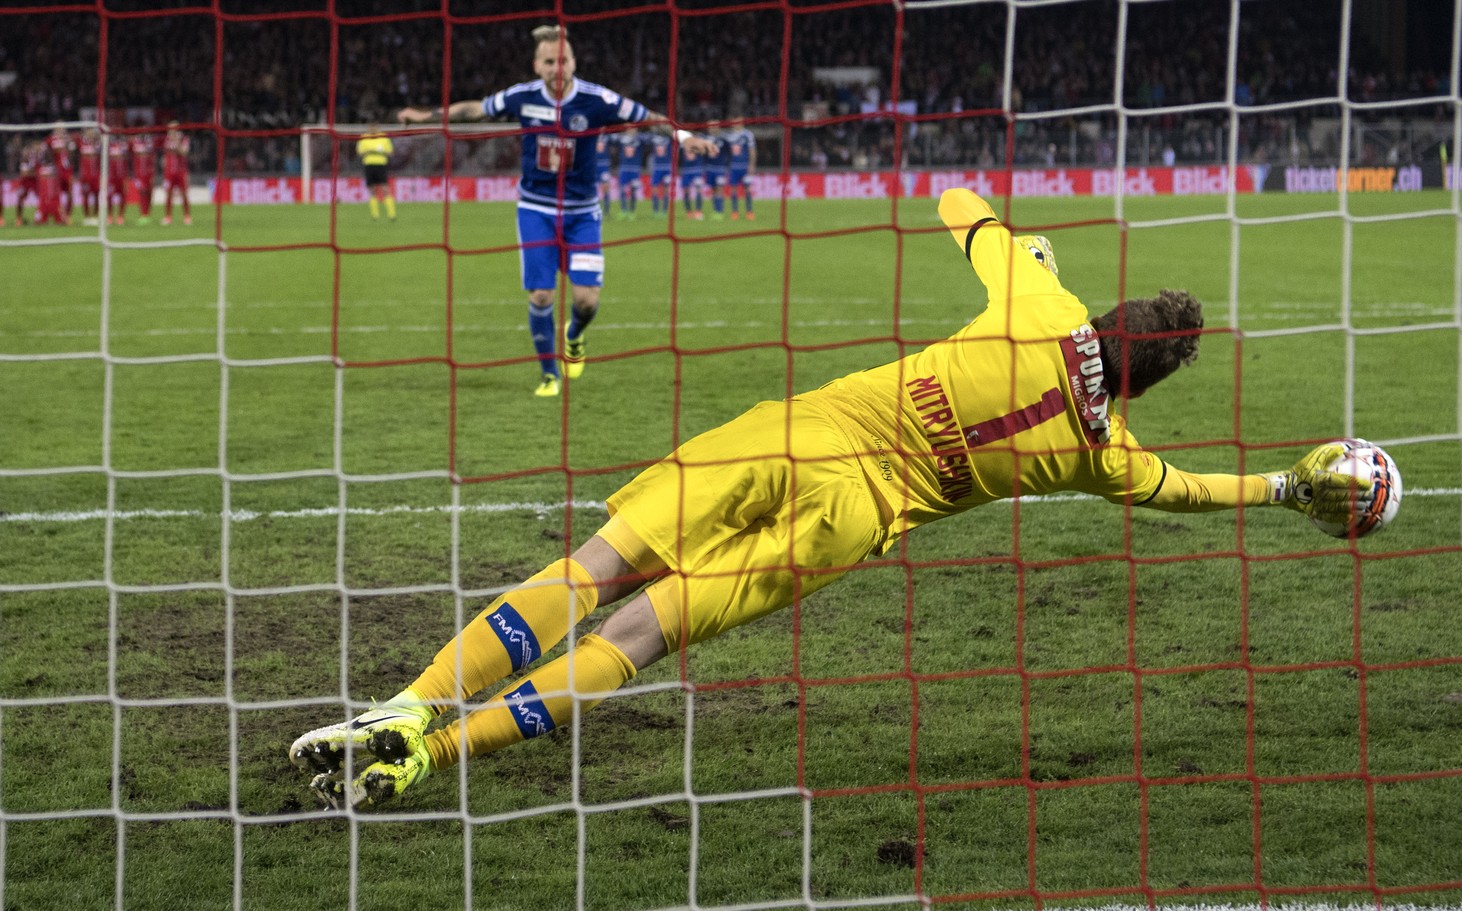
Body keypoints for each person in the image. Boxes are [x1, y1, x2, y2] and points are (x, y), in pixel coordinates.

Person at [289, 188, 1375, 811]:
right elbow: (1185, 492)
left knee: (600, 566)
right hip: (850, 522)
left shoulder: (1037, 298)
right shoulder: (1105, 451)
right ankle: (437, 753)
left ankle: (410, 701)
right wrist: (1283, 484)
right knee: (642, 627)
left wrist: (1022, 243)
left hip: (795, 436)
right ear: (1144, 382)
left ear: (1106, 315)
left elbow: (961, 201)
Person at [395, 23, 717, 398]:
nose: (556, 68)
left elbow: (646, 116)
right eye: (549, 61)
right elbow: (475, 109)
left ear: (574, 62)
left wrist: (684, 137)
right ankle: (549, 374)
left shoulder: (597, 100)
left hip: (582, 212)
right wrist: (426, 117)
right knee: (542, 296)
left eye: (562, 60)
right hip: (536, 209)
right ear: (537, 65)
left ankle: (575, 336)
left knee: (586, 300)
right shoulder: (522, 97)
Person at [355, 123, 397, 221]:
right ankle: (375, 215)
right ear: (369, 128)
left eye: (375, 127)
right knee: (372, 190)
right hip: (369, 165)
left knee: (385, 189)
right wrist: (370, 151)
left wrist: (381, 151)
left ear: (378, 128)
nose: (373, 129)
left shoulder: (383, 137)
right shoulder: (364, 137)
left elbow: (391, 152)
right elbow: (359, 152)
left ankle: (392, 214)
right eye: (371, 127)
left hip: (381, 165)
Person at [721, 116, 756, 221]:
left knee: (747, 189)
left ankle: (749, 212)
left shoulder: (747, 135)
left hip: (745, 166)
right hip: (733, 167)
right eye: (735, 121)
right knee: (733, 189)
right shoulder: (729, 135)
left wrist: (752, 164)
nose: (736, 123)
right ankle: (735, 212)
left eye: (739, 121)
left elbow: (752, 150)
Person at [161, 121, 192, 225]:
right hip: (169, 171)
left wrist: (176, 141)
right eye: (169, 128)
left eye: (173, 128)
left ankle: (187, 216)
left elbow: (184, 152)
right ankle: (168, 217)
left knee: (184, 194)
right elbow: (166, 154)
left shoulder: (183, 138)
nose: (171, 130)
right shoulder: (166, 139)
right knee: (168, 194)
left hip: (181, 171)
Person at [613, 125, 645, 220]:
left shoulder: (639, 139)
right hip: (624, 168)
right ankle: (623, 211)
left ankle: (632, 211)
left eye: (633, 128)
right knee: (622, 189)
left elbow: (647, 143)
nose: (631, 130)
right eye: (629, 128)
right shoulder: (621, 139)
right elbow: (612, 141)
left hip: (635, 169)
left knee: (633, 190)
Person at [704, 119, 729, 220]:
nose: (712, 128)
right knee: (713, 190)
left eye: (715, 126)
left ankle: (720, 212)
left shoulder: (723, 140)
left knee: (719, 189)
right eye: (710, 126)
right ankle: (715, 210)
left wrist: (725, 163)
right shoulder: (705, 139)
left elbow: (728, 152)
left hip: (720, 169)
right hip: (709, 168)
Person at [130, 131, 157, 225]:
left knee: (149, 193)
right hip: (138, 174)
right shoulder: (134, 142)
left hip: (149, 173)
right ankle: (143, 214)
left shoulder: (150, 143)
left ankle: (147, 214)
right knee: (142, 192)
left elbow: (153, 157)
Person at [78, 128, 102, 226]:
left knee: (96, 195)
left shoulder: (98, 144)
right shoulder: (81, 143)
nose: (90, 134)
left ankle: (96, 216)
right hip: (85, 176)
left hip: (96, 175)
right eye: (88, 132)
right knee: (86, 196)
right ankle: (87, 216)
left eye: (92, 133)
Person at [647, 131, 672, 217]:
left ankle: (665, 211)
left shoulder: (669, 137)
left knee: (666, 190)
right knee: (654, 189)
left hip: (666, 167)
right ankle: (656, 211)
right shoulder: (653, 137)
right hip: (656, 167)